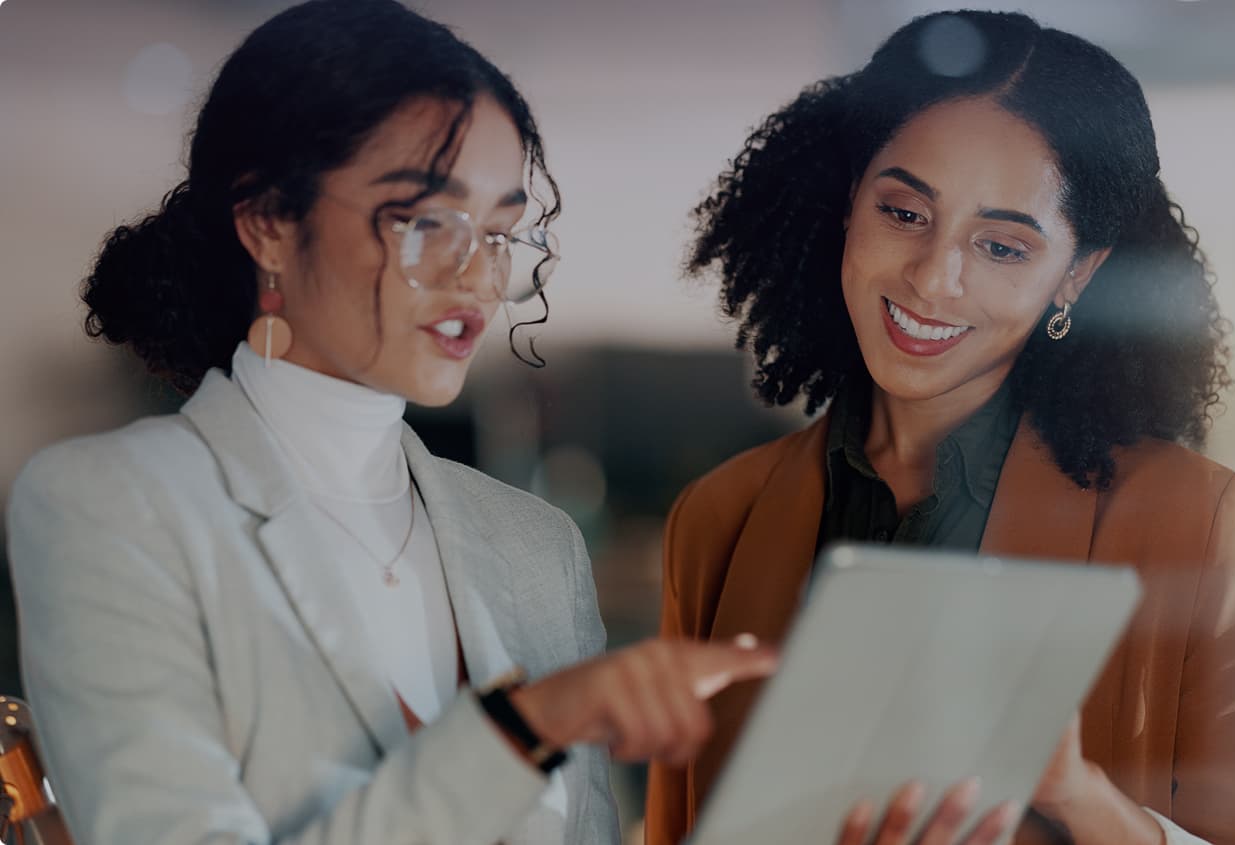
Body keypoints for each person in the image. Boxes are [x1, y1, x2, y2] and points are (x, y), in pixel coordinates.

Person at [3, 2, 783, 843]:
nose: (476, 277)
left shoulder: (537, 547)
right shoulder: (112, 504)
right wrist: (528, 727)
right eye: (425, 221)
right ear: (267, 222)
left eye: (500, 231)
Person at [645, 10, 1235, 845]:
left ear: (1075, 275)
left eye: (1003, 247)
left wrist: (1085, 800)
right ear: (849, 201)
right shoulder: (718, 520)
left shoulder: (1193, 519)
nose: (935, 278)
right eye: (904, 212)